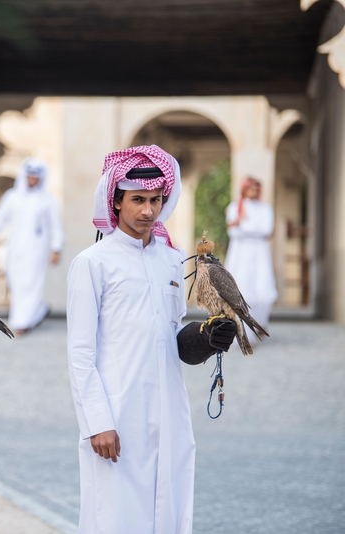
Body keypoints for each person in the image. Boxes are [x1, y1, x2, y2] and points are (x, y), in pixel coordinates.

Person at [66, 145, 236, 534]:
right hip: (117, 414)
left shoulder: (172, 260)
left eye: (155, 200)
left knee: (169, 512)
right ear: (116, 201)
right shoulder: (92, 263)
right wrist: (97, 422)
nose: (147, 211)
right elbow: (79, 354)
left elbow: (173, 335)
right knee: (115, 515)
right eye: (137, 200)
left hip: (169, 412)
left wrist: (206, 338)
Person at [0, 157, 64, 336]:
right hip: (16, 247)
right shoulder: (12, 197)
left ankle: (22, 322)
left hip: (38, 249)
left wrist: (56, 248)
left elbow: (56, 226)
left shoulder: (48, 200)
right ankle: (37, 311)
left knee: (31, 282)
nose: (32, 180)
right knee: (16, 281)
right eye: (29, 176)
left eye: (36, 176)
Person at [225, 176, 277, 331]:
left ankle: (260, 324)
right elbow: (233, 232)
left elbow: (266, 230)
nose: (253, 192)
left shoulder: (265, 209)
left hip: (260, 253)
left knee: (263, 293)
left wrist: (242, 225)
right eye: (250, 189)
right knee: (242, 293)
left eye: (256, 189)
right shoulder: (235, 207)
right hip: (240, 254)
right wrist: (243, 226)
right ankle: (244, 331)